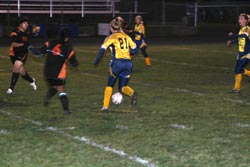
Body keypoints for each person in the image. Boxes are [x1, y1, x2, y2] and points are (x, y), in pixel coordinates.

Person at [29, 27, 78, 114]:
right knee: (61, 90)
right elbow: (73, 62)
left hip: (47, 73)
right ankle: (66, 110)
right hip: (58, 73)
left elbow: (39, 51)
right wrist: (74, 64)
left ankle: (48, 97)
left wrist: (31, 48)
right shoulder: (68, 47)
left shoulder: (50, 43)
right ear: (67, 37)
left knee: (54, 87)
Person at [94, 18, 138, 112]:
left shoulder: (112, 37)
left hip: (117, 63)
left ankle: (105, 107)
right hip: (128, 64)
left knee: (110, 85)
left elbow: (102, 50)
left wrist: (97, 61)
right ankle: (132, 93)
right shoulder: (127, 36)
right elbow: (134, 48)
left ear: (111, 28)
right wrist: (129, 54)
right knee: (122, 87)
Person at [7, 17, 37, 95]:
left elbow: (35, 32)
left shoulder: (27, 32)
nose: (27, 25)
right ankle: (32, 81)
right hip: (13, 53)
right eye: (25, 23)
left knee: (17, 65)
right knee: (22, 73)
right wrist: (24, 44)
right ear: (20, 24)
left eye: (27, 23)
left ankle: (11, 88)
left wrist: (36, 30)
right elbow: (14, 44)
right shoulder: (15, 32)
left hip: (23, 53)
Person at [227, 13, 250, 93]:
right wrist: (232, 41)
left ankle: (236, 88)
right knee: (238, 70)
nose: (239, 20)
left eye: (241, 19)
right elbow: (240, 39)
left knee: (237, 70)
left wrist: (233, 35)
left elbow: (244, 36)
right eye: (239, 19)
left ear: (246, 20)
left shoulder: (247, 28)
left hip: (247, 54)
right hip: (240, 53)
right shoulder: (241, 29)